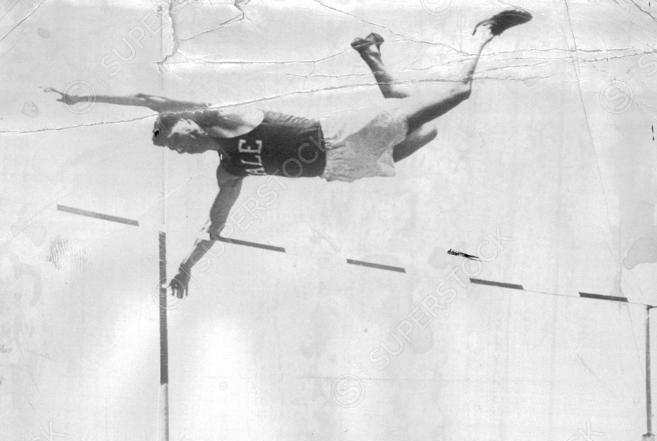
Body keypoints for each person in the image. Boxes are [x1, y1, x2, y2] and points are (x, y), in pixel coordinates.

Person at [45, 9, 532, 297]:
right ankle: (370, 53)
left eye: (176, 139)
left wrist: (82, 99)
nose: (180, 149)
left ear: (187, 123)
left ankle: (486, 31)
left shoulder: (221, 117)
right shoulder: (229, 171)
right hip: (341, 167)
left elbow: (148, 100)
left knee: (452, 100)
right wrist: (187, 266)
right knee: (419, 121)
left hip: (340, 134)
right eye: (175, 150)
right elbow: (213, 226)